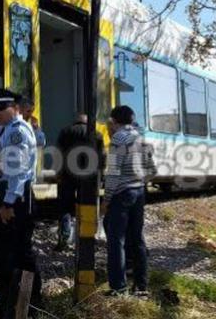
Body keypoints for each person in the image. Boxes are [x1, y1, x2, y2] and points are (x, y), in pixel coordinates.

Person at [0, 88, 42, 318]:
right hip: (11, 195)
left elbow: (18, 171)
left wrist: (8, 203)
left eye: (2, 107)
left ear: (15, 108)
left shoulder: (17, 131)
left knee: (16, 252)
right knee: (9, 251)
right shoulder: (6, 130)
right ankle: (15, 303)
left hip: (16, 198)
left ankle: (26, 305)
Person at [101, 105, 157, 296]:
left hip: (122, 194)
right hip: (139, 192)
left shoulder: (118, 138)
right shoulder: (142, 138)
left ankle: (118, 287)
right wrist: (138, 180)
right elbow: (152, 170)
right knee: (138, 238)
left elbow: (114, 173)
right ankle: (141, 286)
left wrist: (107, 199)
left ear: (114, 121)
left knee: (116, 240)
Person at [55, 113, 105, 251]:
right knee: (88, 206)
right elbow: (101, 157)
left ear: (76, 121)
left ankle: (64, 237)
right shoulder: (96, 134)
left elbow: (58, 153)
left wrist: (58, 172)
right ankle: (88, 238)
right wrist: (101, 176)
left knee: (65, 207)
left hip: (67, 175)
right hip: (89, 177)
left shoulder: (65, 131)